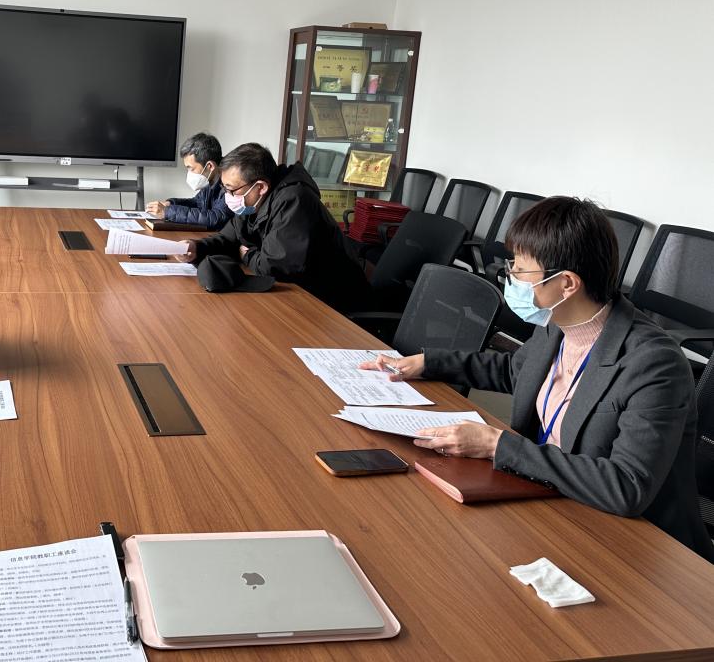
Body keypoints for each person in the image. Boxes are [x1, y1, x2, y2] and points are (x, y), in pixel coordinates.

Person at [362, 196, 714, 561]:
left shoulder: (654, 364)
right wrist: (426, 363)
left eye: (519, 270)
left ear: (567, 283)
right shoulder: (559, 324)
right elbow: (515, 371)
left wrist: (497, 445)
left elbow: (626, 486)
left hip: (634, 547)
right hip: (555, 501)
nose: (510, 276)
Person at [178, 143, 371, 313]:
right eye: (224, 188)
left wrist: (247, 255)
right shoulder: (253, 202)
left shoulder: (294, 200)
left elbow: (275, 266)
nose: (227, 195)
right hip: (298, 293)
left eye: (231, 189)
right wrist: (197, 248)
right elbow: (229, 238)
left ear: (260, 187)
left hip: (332, 303)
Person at [145, 132, 231, 230]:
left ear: (210, 166)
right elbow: (197, 203)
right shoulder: (211, 179)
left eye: (191, 168)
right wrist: (171, 203)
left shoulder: (230, 183)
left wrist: (168, 212)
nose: (189, 173)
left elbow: (215, 218)